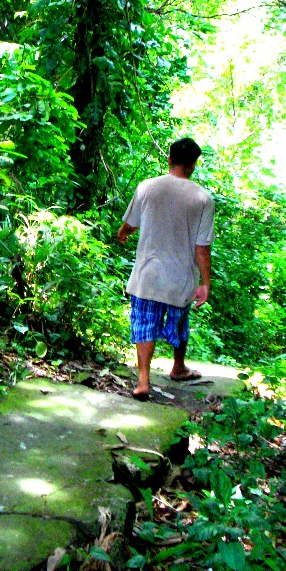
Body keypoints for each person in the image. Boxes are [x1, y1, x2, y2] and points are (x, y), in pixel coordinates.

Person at [116, 137, 214, 401]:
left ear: (169, 159)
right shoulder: (203, 199)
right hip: (180, 279)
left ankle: (143, 381)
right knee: (179, 324)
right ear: (193, 165)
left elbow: (131, 222)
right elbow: (201, 247)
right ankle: (178, 367)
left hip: (147, 275)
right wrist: (205, 282)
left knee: (144, 324)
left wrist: (123, 233)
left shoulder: (147, 187)